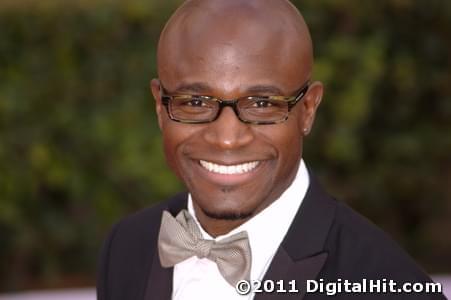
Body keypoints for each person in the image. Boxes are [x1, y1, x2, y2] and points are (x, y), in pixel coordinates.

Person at [96, 0, 446, 299]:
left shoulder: (391, 287)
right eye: (196, 101)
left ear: (308, 110)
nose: (227, 138)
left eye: (262, 103)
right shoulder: (128, 246)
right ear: (160, 107)